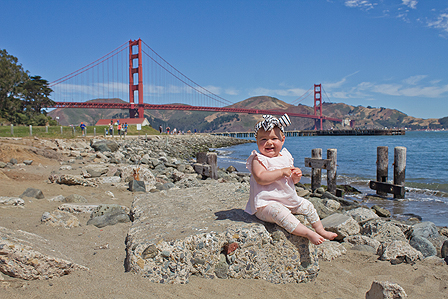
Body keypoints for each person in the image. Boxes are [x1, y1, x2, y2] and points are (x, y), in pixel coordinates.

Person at [245, 114, 337, 245]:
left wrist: (296, 176)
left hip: (287, 199)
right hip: (265, 205)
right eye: (263, 139)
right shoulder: (258, 159)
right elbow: (260, 178)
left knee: (308, 205)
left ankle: (320, 229)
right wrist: (281, 172)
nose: (269, 142)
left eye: (274, 138)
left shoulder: (286, 156)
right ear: (256, 141)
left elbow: (292, 182)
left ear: (282, 140)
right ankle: (307, 232)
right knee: (280, 213)